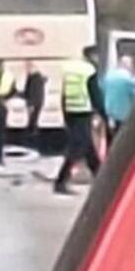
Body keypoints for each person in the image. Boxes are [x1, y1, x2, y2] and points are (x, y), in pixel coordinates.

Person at [54, 46, 103, 195]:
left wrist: (64, 113)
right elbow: (94, 92)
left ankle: (101, 179)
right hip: (83, 111)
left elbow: (64, 92)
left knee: (88, 148)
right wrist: (101, 112)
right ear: (92, 56)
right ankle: (61, 181)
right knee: (78, 147)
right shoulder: (89, 71)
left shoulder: (70, 69)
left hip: (71, 110)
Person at [102, 55, 135, 144]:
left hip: (110, 111)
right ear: (129, 65)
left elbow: (103, 90)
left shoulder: (109, 76)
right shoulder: (129, 79)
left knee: (114, 136)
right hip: (124, 113)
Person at [22, 61, 47, 145]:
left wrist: (29, 101)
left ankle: (31, 136)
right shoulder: (38, 78)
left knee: (32, 119)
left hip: (33, 101)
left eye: (27, 68)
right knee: (34, 119)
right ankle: (32, 134)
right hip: (38, 101)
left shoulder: (33, 78)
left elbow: (30, 91)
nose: (26, 69)